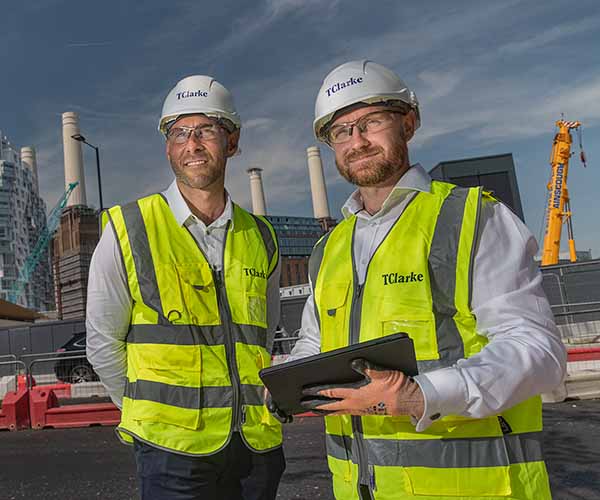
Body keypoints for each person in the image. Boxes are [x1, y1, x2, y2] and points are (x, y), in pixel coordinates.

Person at [281, 60, 567, 499]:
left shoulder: (470, 218)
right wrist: (289, 382)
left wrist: (421, 395)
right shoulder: (329, 248)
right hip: (360, 488)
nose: (356, 141)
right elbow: (313, 345)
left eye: (371, 122)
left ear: (408, 123)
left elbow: (536, 350)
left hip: (474, 488)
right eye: (341, 131)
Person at [86, 75, 285, 500]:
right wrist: (150, 414)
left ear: (231, 143)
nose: (192, 144)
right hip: (170, 453)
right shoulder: (130, 228)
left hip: (254, 446)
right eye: (179, 132)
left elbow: (264, 336)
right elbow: (102, 343)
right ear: (168, 147)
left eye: (206, 130)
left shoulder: (262, 236)